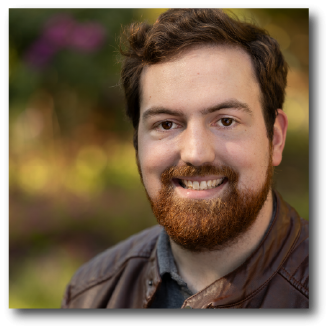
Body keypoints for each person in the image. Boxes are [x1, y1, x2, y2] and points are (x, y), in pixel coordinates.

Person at [61, 8, 308, 309]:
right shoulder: (90, 294)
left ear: (276, 139)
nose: (196, 153)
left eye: (226, 121)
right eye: (166, 124)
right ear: (137, 144)